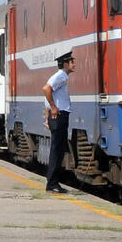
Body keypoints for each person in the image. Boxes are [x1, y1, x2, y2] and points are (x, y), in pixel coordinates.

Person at [43, 50, 76, 194]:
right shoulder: (61, 76)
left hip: (57, 115)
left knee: (57, 150)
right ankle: (52, 184)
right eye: (72, 62)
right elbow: (46, 89)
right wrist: (54, 108)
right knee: (57, 151)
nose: (74, 64)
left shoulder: (61, 77)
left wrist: (47, 115)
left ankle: (53, 183)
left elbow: (47, 95)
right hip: (59, 116)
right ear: (65, 64)